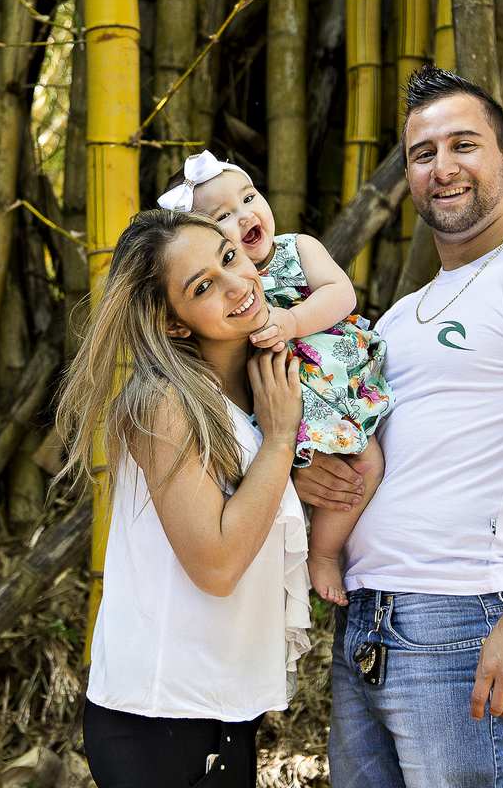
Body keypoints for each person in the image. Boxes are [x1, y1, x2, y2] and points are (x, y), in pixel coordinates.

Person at [294, 64, 503, 787]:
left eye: (463, 145)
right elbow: (356, 439)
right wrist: (308, 471)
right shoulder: (399, 316)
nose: (443, 167)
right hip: (363, 621)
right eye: (423, 153)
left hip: (462, 620)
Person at [55, 209, 312, 788]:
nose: (236, 284)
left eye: (229, 257)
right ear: (172, 324)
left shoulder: (257, 393)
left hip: (223, 709)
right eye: (202, 287)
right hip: (160, 718)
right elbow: (216, 565)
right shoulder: (162, 403)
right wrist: (279, 442)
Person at [159, 151, 394, 606]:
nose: (245, 215)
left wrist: (292, 321)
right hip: (279, 401)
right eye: (223, 216)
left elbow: (341, 292)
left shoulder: (297, 248)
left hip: (331, 386)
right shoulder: (224, 297)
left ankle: (325, 552)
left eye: (249, 198)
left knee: (367, 463)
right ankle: (315, 555)